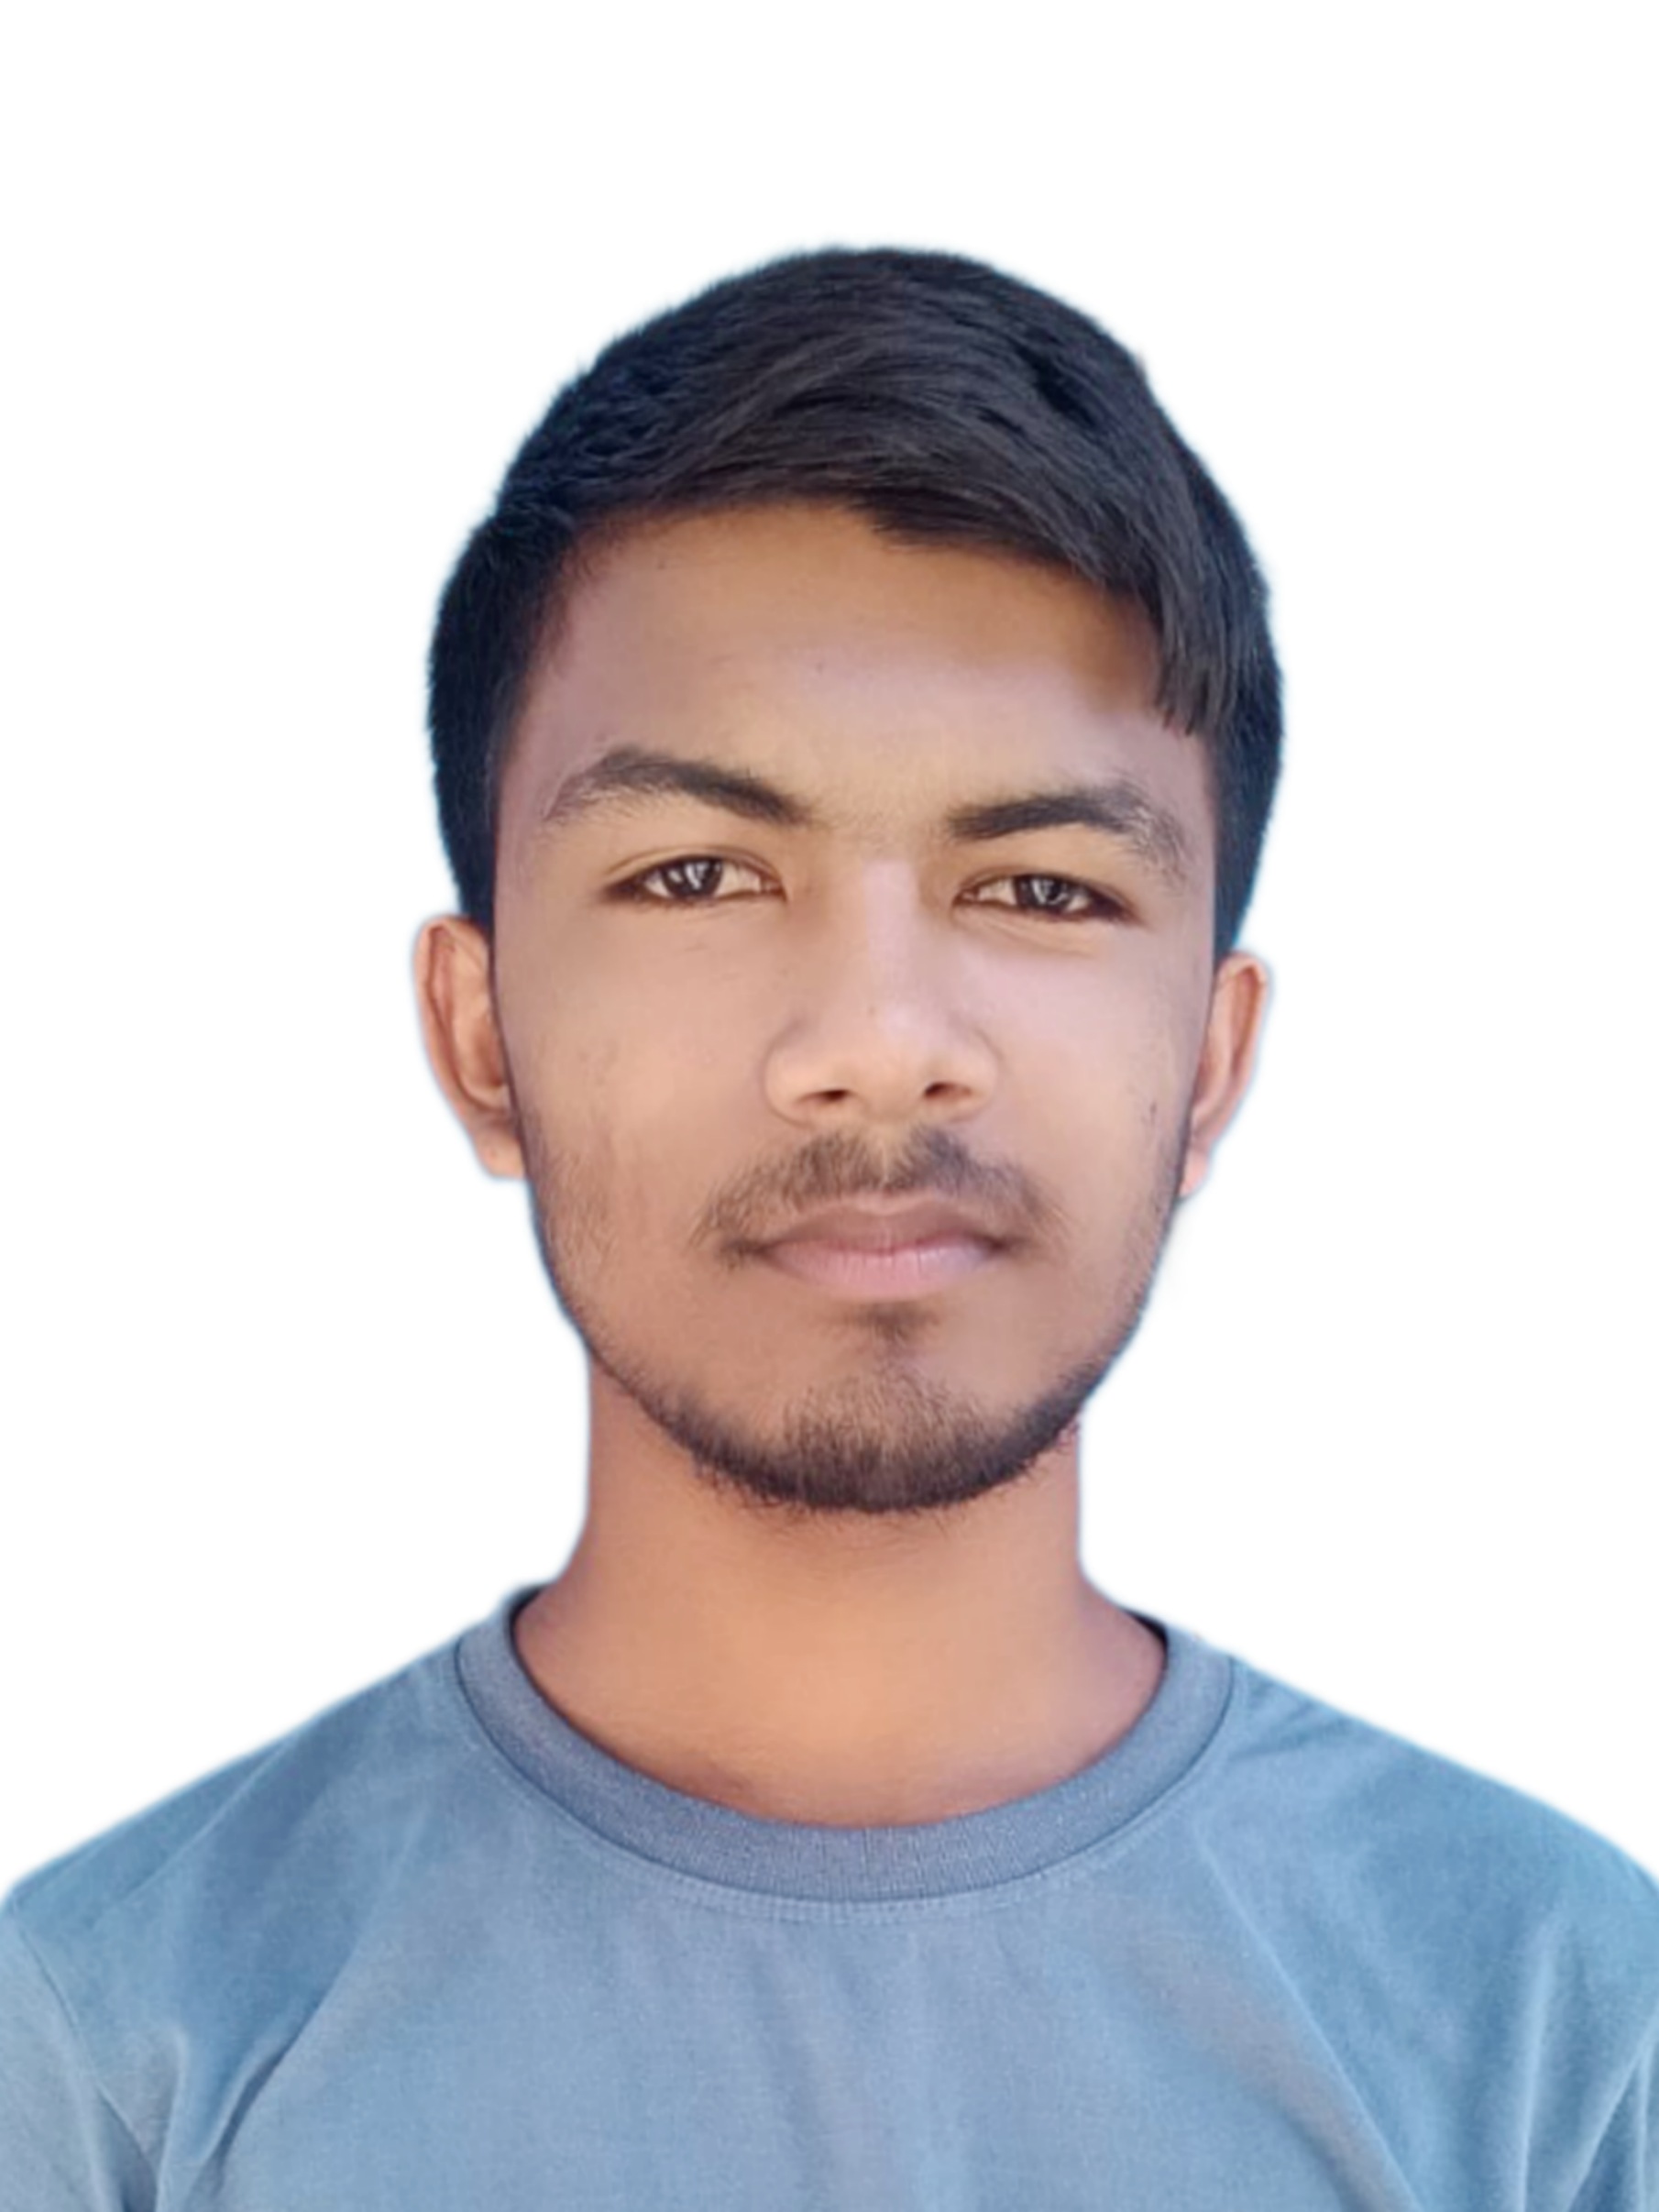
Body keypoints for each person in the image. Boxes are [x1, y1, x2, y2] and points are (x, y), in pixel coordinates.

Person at [3, 246, 1654, 2210]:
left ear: (1209, 1065)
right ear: (479, 1036)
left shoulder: (1558, 2025)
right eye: (697, 873)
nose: (877, 1043)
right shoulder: (109, 2047)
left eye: (1041, 889)